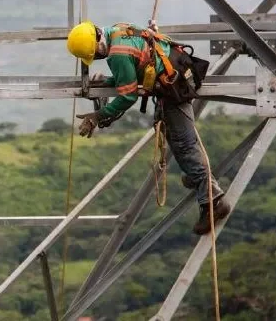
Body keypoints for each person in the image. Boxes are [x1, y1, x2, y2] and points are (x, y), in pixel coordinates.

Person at [66, 20, 231, 235]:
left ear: (96, 46)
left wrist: (99, 115)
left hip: (174, 86)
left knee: (183, 144)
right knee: (175, 138)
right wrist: (109, 81)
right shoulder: (119, 30)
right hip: (175, 74)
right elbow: (132, 70)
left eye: (94, 55)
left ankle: (213, 200)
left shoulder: (116, 54)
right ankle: (196, 174)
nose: (97, 57)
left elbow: (129, 96)